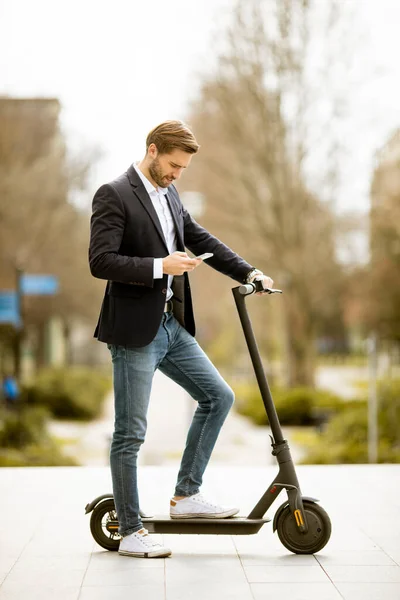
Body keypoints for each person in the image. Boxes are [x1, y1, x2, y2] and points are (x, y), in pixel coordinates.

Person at [89, 120, 273, 558]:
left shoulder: (170, 193)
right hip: (134, 331)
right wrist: (160, 266)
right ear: (152, 151)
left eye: (183, 169)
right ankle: (131, 532)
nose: (177, 175)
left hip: (172, 326)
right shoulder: (113, 194)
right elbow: (101, 261)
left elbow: (199, 237)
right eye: (173, 165)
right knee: (130, 434)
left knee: (218, 397)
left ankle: (187, 497)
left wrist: (249, 271)